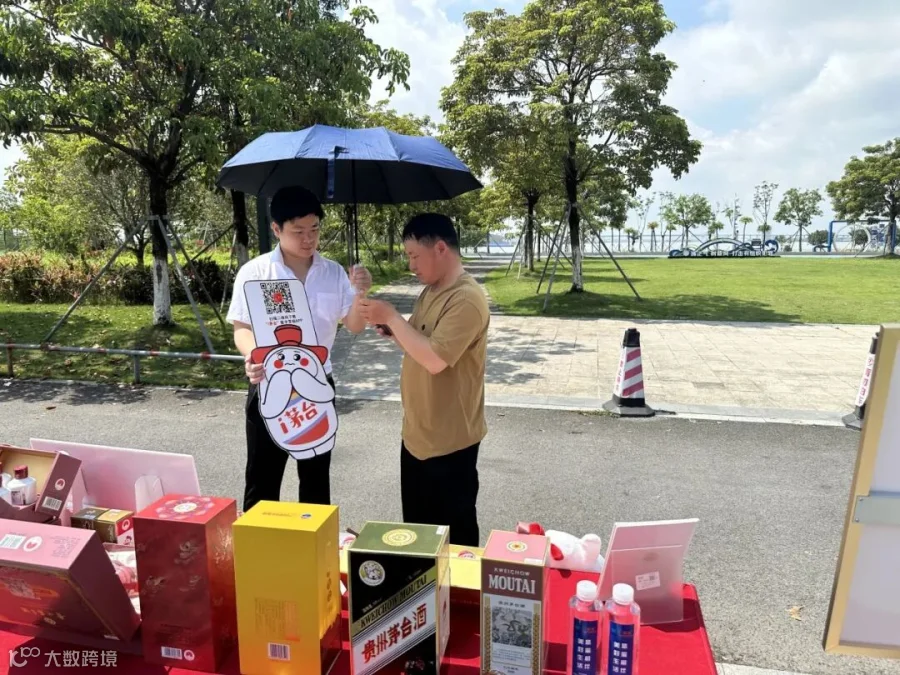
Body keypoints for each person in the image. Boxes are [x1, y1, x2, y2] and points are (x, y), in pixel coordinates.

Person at [227, 185, 371, 511]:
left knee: (316, 479)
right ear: (276, 229)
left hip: (316, 384)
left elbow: (354, 326)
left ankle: (314, 541)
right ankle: (261, 539)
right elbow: (241, 328)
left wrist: (359, 293)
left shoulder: (333, 273)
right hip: (269, 382)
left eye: (315, 229)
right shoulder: (255, 272)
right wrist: (253, 356)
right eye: (298, 231)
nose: (309, 239)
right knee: (263, 477)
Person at [359, 213, 489, 546]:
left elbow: (434, 360)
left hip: (450, 442)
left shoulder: (466, 299)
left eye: (415, 255)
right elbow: (418, 343)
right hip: (417, 435)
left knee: (454, 539)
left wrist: (392, 317)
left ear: (441, 248)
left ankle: (459, 583)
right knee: (418, 538)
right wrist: (395, 331)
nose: (411, 265)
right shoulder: (431, 291)